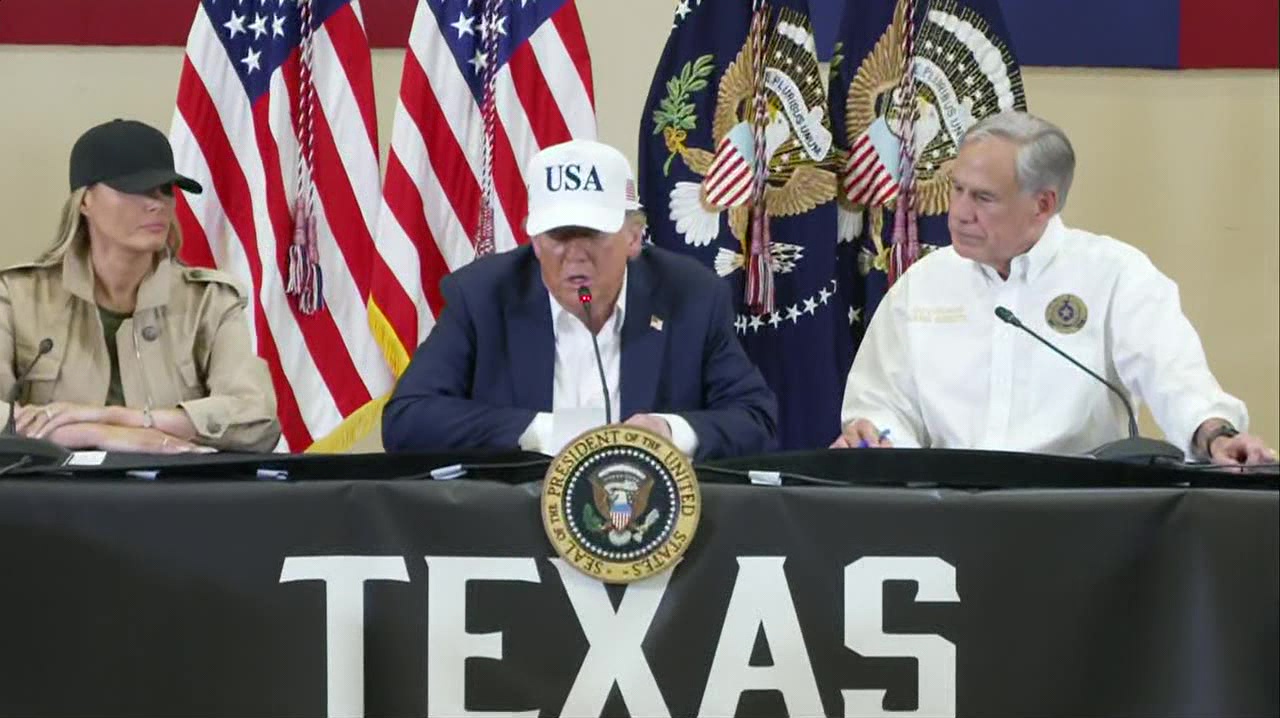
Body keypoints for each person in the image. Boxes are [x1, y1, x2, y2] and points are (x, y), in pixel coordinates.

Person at [834, 110, 1275, 466]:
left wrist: (1216, 433)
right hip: (947, 517)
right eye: (958, 190)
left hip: (1079, 516)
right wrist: (876, 436)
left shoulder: (1114, 275)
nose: (959, 213)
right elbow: (880, 403)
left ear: (1042, 204)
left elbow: (1176, 380)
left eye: (983, 198)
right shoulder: (923, 285)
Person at [383, 139, 777, 460]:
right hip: (514, 529)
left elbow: (757, 421)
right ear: (535, 242)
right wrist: (543, 432)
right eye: (557, 237)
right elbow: (407, 419)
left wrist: (667, 432)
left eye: (592, 235)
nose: (574, 255)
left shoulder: (691, 296)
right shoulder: (482, 296)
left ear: (634, 238)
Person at [0, 119, 280, 453]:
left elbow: (258, 418)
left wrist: (125, 419)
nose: (157, 204)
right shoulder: (18, 296)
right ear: (85, 201)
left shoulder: (209, 302)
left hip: (170, 498)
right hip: (52, 500)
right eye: (136, 189)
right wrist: (94, 435)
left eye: (166, 191)